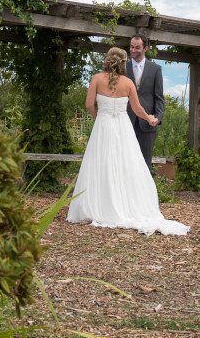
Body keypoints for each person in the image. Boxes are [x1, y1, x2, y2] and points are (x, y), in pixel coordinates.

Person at [67, 47, 188, 236]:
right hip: (123, 127)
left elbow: (89, 104)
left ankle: (98, 206)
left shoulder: (96, 79)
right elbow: (137, 109)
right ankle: (125, 205)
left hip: (103, 125)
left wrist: (99, 116)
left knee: (100, 163)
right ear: (123, 63)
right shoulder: (128, 83)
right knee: (126, 164)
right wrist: (149, 118)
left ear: (107, 60)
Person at [125, 33, 164, 169]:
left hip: (147, 125)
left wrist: (157, 118)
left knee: (144, 165)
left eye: (137, 48)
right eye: (131, 47)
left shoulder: (155, 69)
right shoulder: (122, 68)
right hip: (125, 123)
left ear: (145, 49)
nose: (133, 50)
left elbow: (159, 98)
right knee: (125, 162)